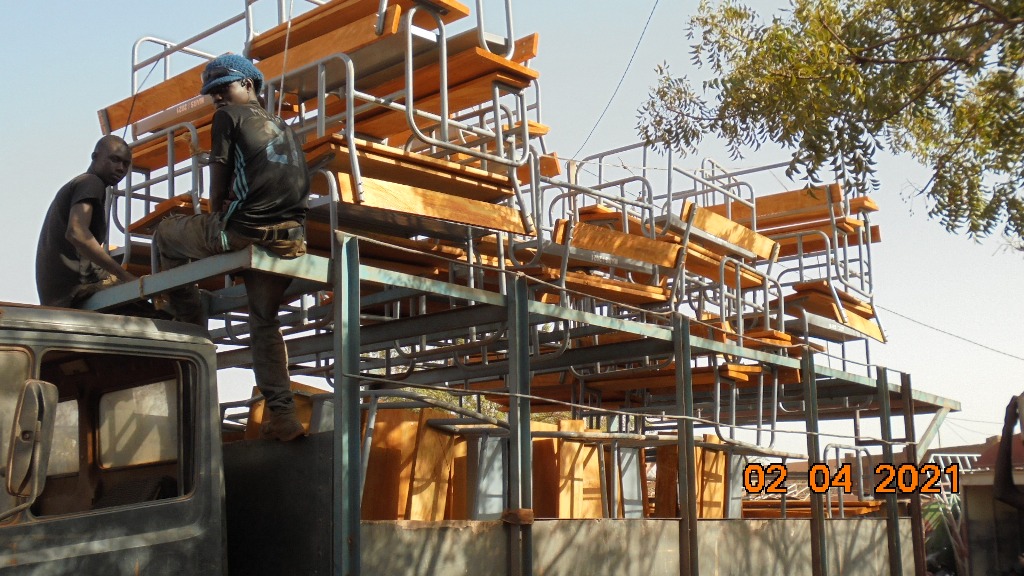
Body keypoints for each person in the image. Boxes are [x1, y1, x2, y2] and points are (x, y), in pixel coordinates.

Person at [153, 53, 310, 442]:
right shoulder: (284, 126)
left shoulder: (228, 119)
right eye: (213, 94)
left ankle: (187, 326)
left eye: (223, 89)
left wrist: (214, 218)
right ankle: (284, 417)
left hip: (244, 232)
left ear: (249, 85)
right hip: (290, 241)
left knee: (166, 236)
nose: (217, 99)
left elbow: (218, 185)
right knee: (264, 323)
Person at [35, 136, 138, 308]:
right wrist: (124, 275)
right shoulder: (91, 182)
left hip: (57, 295)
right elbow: (77, 233)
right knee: (161, 316)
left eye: (126, 164)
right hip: (73, 293)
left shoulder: (83, 183)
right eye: (114, 160)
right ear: (95, 156)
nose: (120, 168)